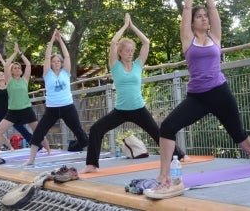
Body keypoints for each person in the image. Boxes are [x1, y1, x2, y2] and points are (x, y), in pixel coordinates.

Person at [144, 0, 250, 199]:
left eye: (205, 16)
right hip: (198, 97)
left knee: (237, 132)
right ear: (193, 22)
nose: (204, 18)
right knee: (167, 127)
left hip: (220, 92)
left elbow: (214, 7)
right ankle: (163, 175)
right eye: (199, 16)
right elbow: (186, 9)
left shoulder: (216, 37)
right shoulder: (187, 40)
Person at [80, 13, 188, 174]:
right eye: (127, 51)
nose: (130, 53)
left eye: (132, 50)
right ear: (120, 52)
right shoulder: (115, 66)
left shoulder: (138, 64)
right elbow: (113, 42)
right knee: (97, 129)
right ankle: (91, 164)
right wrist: (124, 26)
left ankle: (179, 155)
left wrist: (132, 26)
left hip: (138, 108)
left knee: (158, 133)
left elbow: (146, 42)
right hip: (121, 111)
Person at [23, 28, 88, 165]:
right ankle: (31, 159)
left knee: (79, 131)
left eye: (58, 61)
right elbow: (46, 56)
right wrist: (52, 40)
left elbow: (68, 56)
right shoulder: (47, 74)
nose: (56, 63)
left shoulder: (66, 72)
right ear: (51, 64)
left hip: (68, 107)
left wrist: (61, 40)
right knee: (39, 132)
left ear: (61, 63)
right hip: (52, 109)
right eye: (54, 61)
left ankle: (91, 155)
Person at [0, 43, 50, 164]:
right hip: (13, 111)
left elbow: (28, 64)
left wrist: (20, 53)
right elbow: (6, 65)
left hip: (26, 109)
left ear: (21, 71)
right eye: (15, 68)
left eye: (18, 68)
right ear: (11, 72)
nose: (17, 69)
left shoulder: (25, 80)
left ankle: (49, 150)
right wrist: (14, 53)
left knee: (38, 131)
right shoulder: (9, 80)